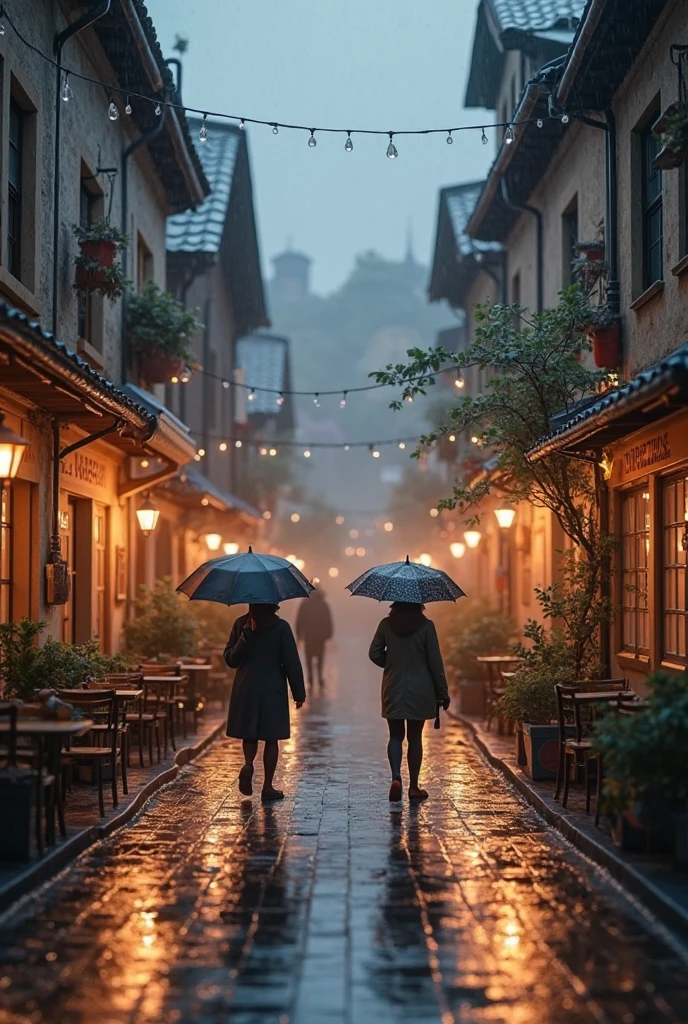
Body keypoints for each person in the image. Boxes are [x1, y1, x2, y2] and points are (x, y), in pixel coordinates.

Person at [368, 601, 450, 802]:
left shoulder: (386, 625)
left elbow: (374, 653)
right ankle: (413, 787)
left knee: (395, 735)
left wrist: (391, 661)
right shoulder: (426, 626)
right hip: (420, 689)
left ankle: (396, 777)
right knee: (415, 738)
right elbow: (435, 662)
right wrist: (443, 691)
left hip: (393, 687)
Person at [224, 603, 305, 802]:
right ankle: (267, 786)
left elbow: (230, 659)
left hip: (246, 686)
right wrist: (298, 692)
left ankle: (248, 764)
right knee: (271, 737)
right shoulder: (281, 628)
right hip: (272, 687)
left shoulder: (240, 624)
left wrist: (244, 636)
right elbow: (291, 662)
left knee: (249, 733)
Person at [295, 589, 333, 687]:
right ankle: (319, 677)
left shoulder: (305, 604)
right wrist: (328, 634)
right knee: (320, 658)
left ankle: (311, 678)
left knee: (309, 658)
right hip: (320, 637)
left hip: (309, 636)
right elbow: (328, 620)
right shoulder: (324, 605)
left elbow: (299, 621)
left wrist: (299, 635)